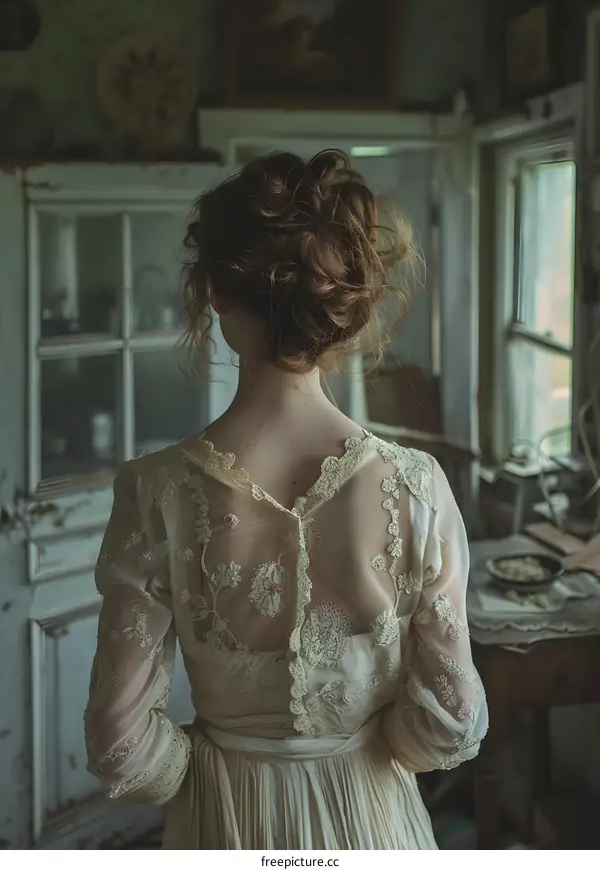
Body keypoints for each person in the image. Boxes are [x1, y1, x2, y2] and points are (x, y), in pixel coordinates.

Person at [84, 149, 488, 850]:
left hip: (227, 822)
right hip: (375, 821)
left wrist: (211, 768)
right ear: (342, 308)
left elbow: (118, 741)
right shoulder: (417, 485)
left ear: (214, 291)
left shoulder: (155, 492)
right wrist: (373, 749)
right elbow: (452, 718)